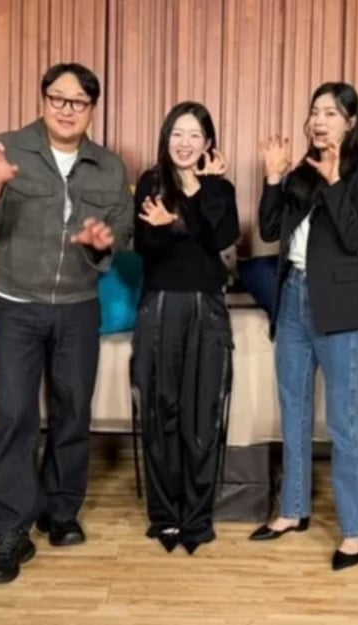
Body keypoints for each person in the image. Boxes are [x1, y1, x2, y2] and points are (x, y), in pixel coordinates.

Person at [0, 62, 134, 584]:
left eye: (78, 101)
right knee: (14, 412)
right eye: (58, 98)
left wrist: (104, 243)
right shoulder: (8, 149)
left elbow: (121, 232)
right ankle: (8, 533)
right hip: (16, 304)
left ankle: (61, 510)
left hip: (79, 305)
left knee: (72, 410)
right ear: (43, 99)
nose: (66, 109)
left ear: (91, 109)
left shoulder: (109, 166)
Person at [247, 82, 358, 571]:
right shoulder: (302, 170)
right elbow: (269, 231)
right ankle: (293, 509)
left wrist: (335, 180)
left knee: (345, 419)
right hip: (293, 297)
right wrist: (273, 177)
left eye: (331, 112)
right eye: (315, 112)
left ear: (351, 121)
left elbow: (355, 237)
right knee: (294, 409)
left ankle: (355, 528)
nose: (320, 120)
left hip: (339, 304)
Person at [131, 101, 239, 555]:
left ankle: (196, 517)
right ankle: (165, 516)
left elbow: (221, 238)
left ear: (208, 143)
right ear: (166, 137)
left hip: (206, 306)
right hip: (161, 304)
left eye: (195, 135)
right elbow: (146, 248)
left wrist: (195, 196)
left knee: (202, 412)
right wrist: (166, 228)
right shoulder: (151, 183)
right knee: (162, 410)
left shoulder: (219, 188)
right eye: (178, 133)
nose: (185, 142)